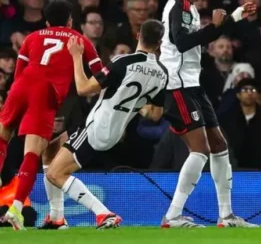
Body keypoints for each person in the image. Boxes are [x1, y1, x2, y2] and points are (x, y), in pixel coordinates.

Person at [45, 19, 169, 229]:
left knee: (55, 173)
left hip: (97, 126)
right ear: (160, 43)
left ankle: (104, 213)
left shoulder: (124, 62)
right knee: (51, 154)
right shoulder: (162, 73)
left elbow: (84, 88)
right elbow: (155, 114)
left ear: (137, 35)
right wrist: (133, 103)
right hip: (116, 131)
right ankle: (56, 218)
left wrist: (76, 56)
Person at [159, 0, 258, 228]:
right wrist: (214, 26)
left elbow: (206, 34)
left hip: (192, 83)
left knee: (219, 145)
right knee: (200, 149)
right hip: (176, 85)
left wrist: (235, 15)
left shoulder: (187, 6)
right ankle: (172, 216)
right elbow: (181, 43)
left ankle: (226, 217)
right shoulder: (178, 8)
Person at [0, 0, 103, 231]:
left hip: (21, 85)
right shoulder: (79, 39)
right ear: (70, 21)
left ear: (46, 21)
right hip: (44, 92)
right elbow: (100, 72)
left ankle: (50, 216)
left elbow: (17, 75)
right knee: (32, 152)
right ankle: (15, 208)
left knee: (2, 137)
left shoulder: (32, 37)